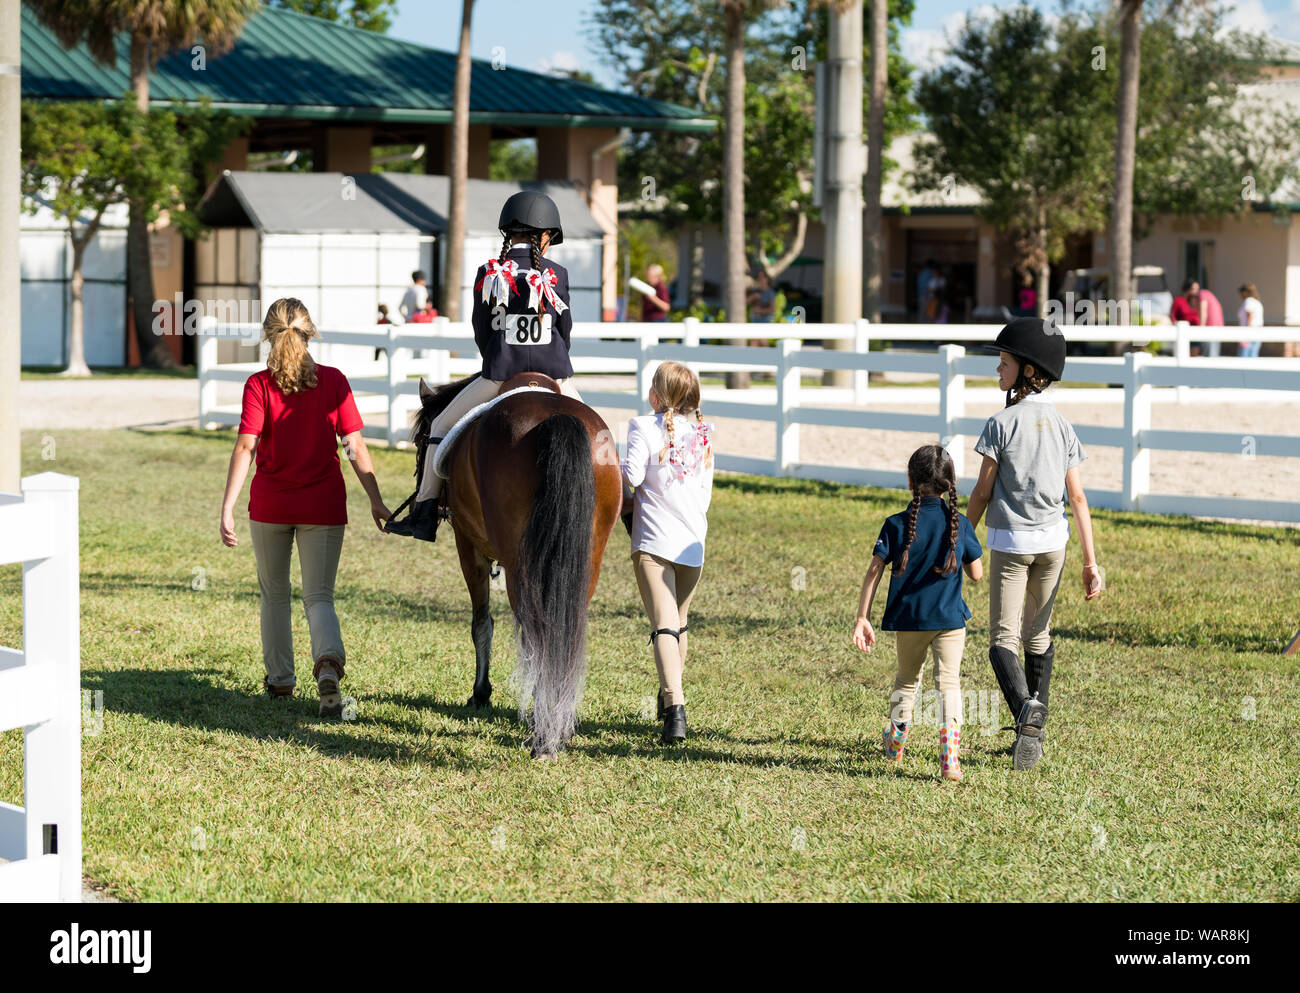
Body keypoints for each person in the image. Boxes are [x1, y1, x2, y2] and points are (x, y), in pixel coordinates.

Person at [219, 298, 392, 717]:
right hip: (323, 505)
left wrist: (227, 507)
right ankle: (328, 664)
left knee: (274, 595)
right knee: (319, 597)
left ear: (268, 335)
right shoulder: (334, 381)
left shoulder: (259, 385)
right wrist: (375, 499)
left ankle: (280, 682)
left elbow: (246, 445)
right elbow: (354, 445)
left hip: (270, 506)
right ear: (309, 332)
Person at [385, 190, 583, 542]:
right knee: (596, 435)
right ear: (544, 236)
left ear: (508, 234)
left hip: (499, 377)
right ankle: (624, 504)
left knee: (441, 426)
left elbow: (481, 330)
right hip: (554, 376)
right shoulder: (559, 274)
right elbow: (565, 331)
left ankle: (425, 511)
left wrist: (497, 358)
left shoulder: (488, 273)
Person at [966, 317, 1102, 771]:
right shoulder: (1063, 425)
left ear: (1027, 370)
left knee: (1001, 642)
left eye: (1003, 363)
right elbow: (1077, 496)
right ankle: (1034, 735)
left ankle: (1027, 712)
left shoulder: (1000, 423)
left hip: (1010, 544)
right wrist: (1091, 561)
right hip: (1055, 546)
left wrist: (961, 534)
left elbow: (983, 492)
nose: (997, 371)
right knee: (1038, 635)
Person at [852, 444, 983, 782]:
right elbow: (977, 573)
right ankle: (950, 757)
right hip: (950, 621)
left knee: (907, 681)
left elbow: (873, 571)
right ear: (950, 484)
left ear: (910, 481)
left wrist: (862, 617)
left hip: (909, 620)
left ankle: (896, 741)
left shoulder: (895, 524)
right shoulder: (961, 523)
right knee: (948, 683)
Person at [622, 361, 714, 744]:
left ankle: (675, 710)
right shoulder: (705, 435)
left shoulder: (642, 426)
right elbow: (705, 495)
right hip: (693, 545)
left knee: (663, 626)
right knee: (680, 622)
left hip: (655, 542)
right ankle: (666, 695)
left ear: (655, 396)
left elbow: (631, 478)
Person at [1197, 282, 1225, 358]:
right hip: (1217, 326)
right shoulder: (1209, 294)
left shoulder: (1202, 293)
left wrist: (1201, 327)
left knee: (1211, 355)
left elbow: (1203, 310)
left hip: (1211, 327)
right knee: (1214, 353)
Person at [1237, 283, 1263, 358]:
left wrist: (1247, 333)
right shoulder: (1256, 302)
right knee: (1253, 353)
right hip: (1257, 329)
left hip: (1250, 330)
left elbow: (1250, 316)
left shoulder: (1249, 301)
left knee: (1245, 353)